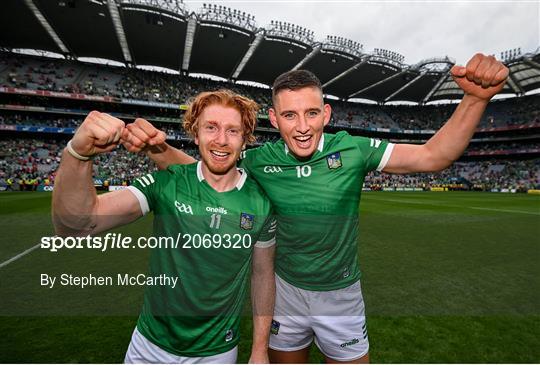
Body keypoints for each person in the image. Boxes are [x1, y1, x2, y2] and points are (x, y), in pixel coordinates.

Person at [123, 54, 508, 363]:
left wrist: (474, 99)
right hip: (285, 291)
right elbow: (200, 168)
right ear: (275, 119)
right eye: (289, 115)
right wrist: (156, 147)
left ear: (326, 114)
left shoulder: (353, 150)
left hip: (340, 294)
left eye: (310, 113)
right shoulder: (259, 160)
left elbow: (432, 155)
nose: (302, 126)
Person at [52, 90, 277, 363]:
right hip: (150, 347)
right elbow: (78, 226)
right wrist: (78, 154)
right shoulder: (168, 182)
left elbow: (263, 275)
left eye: (233, 131)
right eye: (211, 127)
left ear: (245, 139)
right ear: (196, 134)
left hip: (217, 353)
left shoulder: (261, 202)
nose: (221, 139)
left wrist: (259, 350)